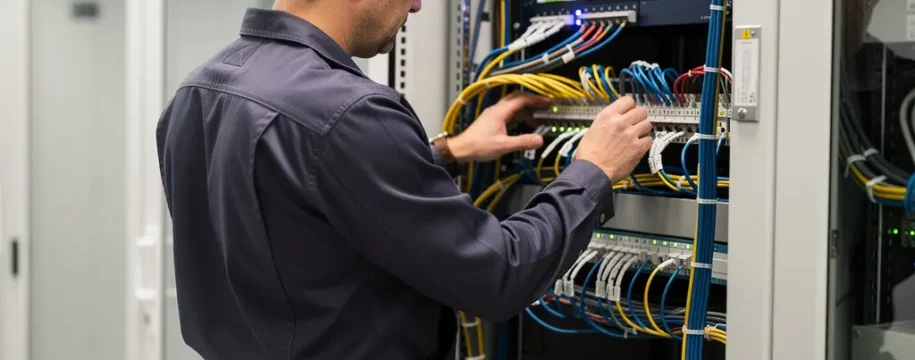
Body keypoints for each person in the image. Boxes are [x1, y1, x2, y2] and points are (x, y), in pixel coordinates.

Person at [155, 0, 652, 358]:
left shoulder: (197, 91)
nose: (416, 6)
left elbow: (297, 206)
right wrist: (593, 170)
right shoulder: (348, 111)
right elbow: (499, 273)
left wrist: (450, 151)